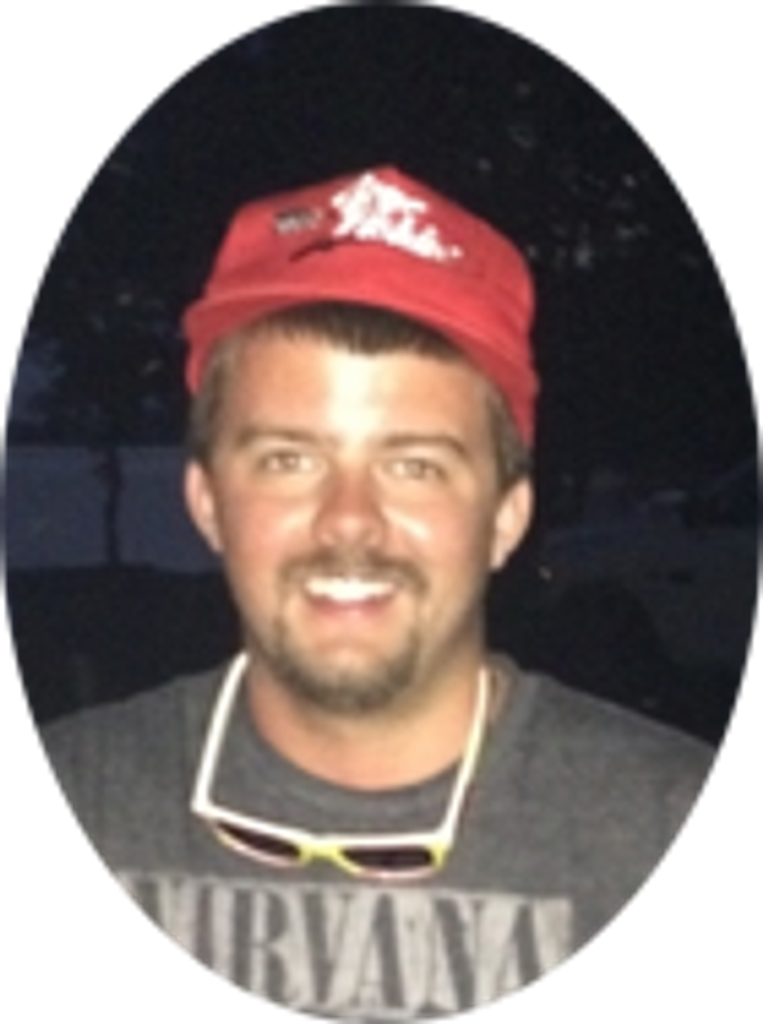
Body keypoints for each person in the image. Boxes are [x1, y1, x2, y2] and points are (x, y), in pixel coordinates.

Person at [34, 167, 720, 1019]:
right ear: (207, 502)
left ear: (506, 519)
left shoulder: (662, 824)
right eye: (289, 460)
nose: (349, 521)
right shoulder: (82, 797)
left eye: (413, 466)